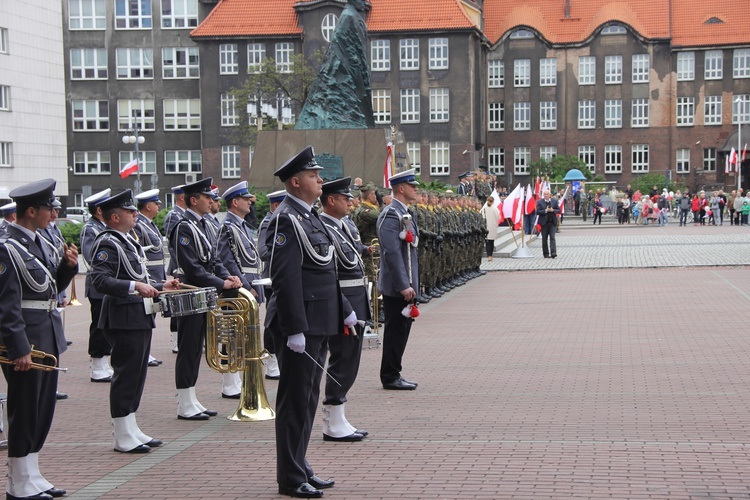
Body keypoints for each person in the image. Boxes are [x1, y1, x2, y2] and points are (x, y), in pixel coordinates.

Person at [265, 146, 345, 498]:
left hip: (319, 320)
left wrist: (345, 308)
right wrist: (294, 326)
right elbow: (285, 278)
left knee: (309, 399)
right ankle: (290, 477)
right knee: (295, 401)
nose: (320, 180)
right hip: (302, 325)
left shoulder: (309, 216)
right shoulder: (286, 219)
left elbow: (326, 270)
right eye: (314, 175)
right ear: (296, 182)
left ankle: (300, 465)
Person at [0, 178, 78, 500]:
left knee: (42, 410)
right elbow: (7, 305)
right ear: (31, 210)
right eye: (49, 207)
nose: (54, 212)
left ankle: (32, 473)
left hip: (47, 333)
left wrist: (68, 269)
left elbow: (45, 289)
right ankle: (18, 482)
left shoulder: (38, 242)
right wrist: (19, 348)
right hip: (27, 340)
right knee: (25, 410)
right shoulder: (7, 248)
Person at [89, 190, 180, 454]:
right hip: (122, 315)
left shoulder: (127, 240)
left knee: (137, 375)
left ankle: (130, 426)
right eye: (130, 211)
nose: (135, 214)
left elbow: (137, 277)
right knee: (126, 375)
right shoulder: (108, 242)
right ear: (115, 217)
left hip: (137, 314)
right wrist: (134, 286)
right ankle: (121, 434)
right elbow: (100, 280)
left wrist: (161, 285)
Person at [171, 177, 242, 420]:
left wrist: (228, 276)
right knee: (189, 347)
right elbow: (192, 268)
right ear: (194, 200)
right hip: (191, 292)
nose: (212, 200)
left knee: (198, 345)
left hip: (204, 293)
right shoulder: (184, 227)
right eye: (207, 197)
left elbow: (214, 260)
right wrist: (221, 283)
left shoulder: (202, 225)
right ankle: (184, 402)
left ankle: (192, 398)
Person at [319, 177, 370, 442]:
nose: (351, 202)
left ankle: (338, 417)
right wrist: (346, 307)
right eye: (344, 198)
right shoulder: (324, 228)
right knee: (342, 360)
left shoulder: (342, 226)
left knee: (350, 361)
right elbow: (330, 275)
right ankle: (332, 421)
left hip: (354, 300)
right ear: (330, 200)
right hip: (343, 304)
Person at [216, 181, 264, 399]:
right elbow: (228, 261)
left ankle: (238, 377)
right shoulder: (228, 227)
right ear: (235, 203)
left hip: (250, 285)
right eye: (246, 200)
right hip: (237, 288)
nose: (250, 203)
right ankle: (229, 382)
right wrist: (246, 286)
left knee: (245, 335)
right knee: (232, 334)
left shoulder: (243, 227)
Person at [377, 168, 420, 391]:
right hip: (397, 286)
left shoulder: (403, 212)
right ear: (401, 189)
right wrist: (403, 284)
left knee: (402, 330)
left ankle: (395, 372)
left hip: (406, 283)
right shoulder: (390, 214)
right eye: (412, 186)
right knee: (395, 331)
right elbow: (391, 253)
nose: (416, 189)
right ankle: (390, 375)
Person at [81, 189, 115, 382]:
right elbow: (91, 256)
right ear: (100, 210)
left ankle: (104, 363)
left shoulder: (103, 227)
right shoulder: (91, 228)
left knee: (107, 325)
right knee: (98, 326)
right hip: (98, 284)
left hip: (107, 284)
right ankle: (96, 366)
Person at [133, 189, 166, 367]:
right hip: (149, 275)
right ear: (148, 206)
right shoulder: (138, 225)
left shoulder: (149, 224)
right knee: (147, 313)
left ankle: (147, 351)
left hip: (156, 274)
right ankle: (144, 352)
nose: (158, 206)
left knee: (151, 313)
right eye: (156, 203)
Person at [257, 189, 286, 380]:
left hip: (282, 277)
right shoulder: (268, 223)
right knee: (272, 322)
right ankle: (271, 361)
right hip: (272, 278)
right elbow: (263, 251)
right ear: (276, 206)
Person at [163, 185, 186, 353]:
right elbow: (174, 244)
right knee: (178, 304)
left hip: (185, 265)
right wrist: (181, 264)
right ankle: (176, 340)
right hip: (180, 266)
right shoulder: (174, 216)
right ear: (181, 197)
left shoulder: (185, 215)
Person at [536, 189, 559, 258]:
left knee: (552, 237)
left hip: (552, 222)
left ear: (550, 195)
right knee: (544, 238)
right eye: (545, 194)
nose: (546, 195)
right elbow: (537, 211)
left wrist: (553, 210)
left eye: (547, 194)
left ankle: (553, 252)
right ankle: (546, 253)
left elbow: (558, 210)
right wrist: (545, 210)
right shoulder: (540, 202)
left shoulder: (554, 201)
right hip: (544, 223)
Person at [479, 196, 499, 261]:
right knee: (491, 242)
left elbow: (481, 216)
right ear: (493, 202)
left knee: (487, 242)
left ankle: (488, 255)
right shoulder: (495, 209)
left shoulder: (483, 209)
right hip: (492, 227)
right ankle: (490, 255)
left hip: (486, 227)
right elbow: (498, 217)